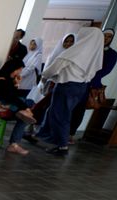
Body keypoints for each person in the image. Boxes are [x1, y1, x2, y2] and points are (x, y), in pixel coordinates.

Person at [37, 27, 104, 156]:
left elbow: (54, 68)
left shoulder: (75, 51)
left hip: (66, 87)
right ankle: (47, 136)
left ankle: (62, 146)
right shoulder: (93, 54)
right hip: (80, 87)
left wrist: (44, 76)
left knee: (60, 116)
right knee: (57, 113)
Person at [68, 28, 117, 142]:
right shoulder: (90, 49)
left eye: (109, 37)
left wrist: (90, 74)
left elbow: (106, 70)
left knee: (79, 109)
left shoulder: (112, 54)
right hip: (77, 79)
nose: (106, 39)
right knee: (69, 106)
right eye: (104, 35)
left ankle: (70, 134)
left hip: (90, 84)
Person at [0, 59, 36, 155]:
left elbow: (13, 96)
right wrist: (25, 108)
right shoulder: (2, 81)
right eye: (19, 69)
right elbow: (11, 97)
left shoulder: (8, 80)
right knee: (25, 115)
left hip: (8, 107)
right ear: (12, 69)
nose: (20, 72)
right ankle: (14, 144)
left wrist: (16, 84)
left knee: (28, 103)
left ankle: (22, 112)